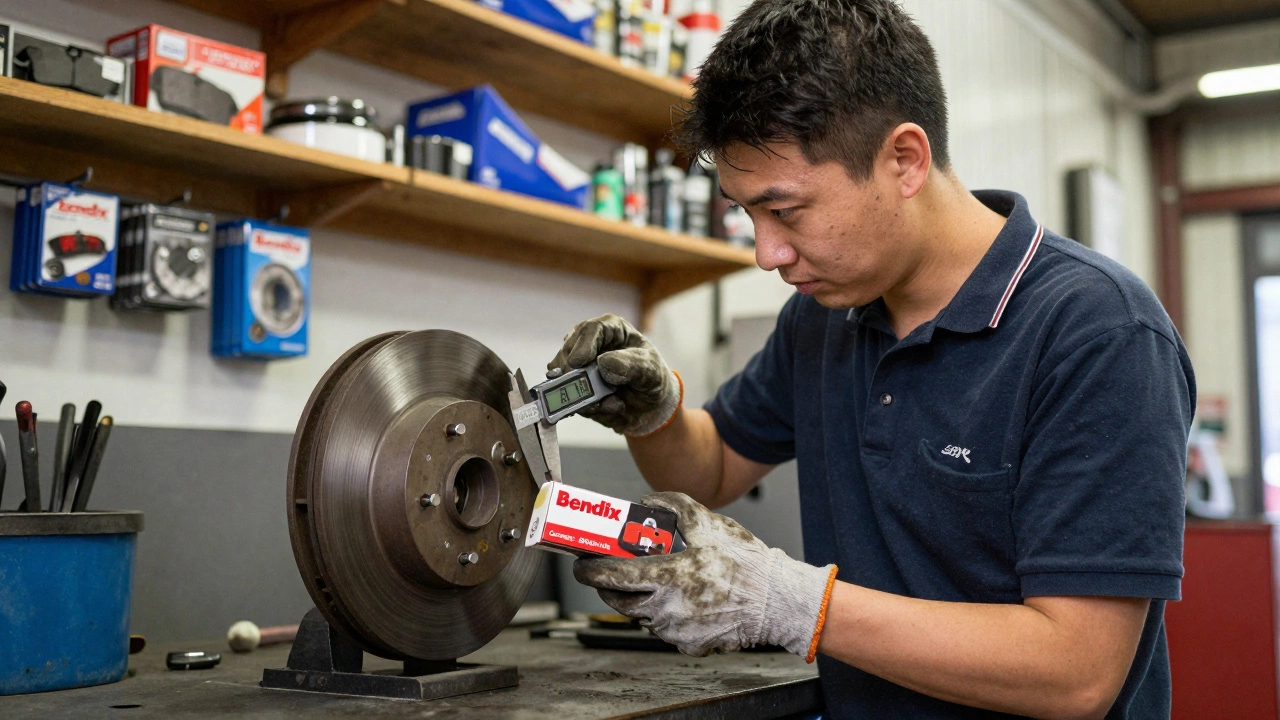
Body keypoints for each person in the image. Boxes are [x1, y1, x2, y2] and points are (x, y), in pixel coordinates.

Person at [550, 1, 1194, 718]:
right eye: (747, 214)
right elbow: (713, 467)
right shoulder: (826, 317)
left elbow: (1077, 671)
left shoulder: (1100, 332)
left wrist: (786, 601)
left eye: (786, 210)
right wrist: (658, 412)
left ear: (904, 159)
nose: (767, 254)